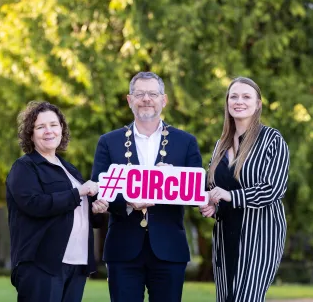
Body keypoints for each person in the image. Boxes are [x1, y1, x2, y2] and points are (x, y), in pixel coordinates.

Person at [91, 71, 202, 302]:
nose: (146, 99)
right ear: (129, 100)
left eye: (152, 93)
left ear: (164, 100)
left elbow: (195, 194)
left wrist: (173, 181)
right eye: (139, 93)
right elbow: (100, 190)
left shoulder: (186, 142)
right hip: (123, 249)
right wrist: (128, 203)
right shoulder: (109, 142)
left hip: (170, 249)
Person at [6, 101, 109, 302]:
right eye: (40, 126)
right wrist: (78, 192)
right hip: (41, 265)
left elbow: (78, 212)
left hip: (77, 263)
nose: (48, 131)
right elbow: (34, 204)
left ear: (61, 129)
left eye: (54, 125)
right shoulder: (24, 167)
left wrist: (96, 210)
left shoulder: (70, 169)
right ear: (31, 133)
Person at [200, 77, 289, 302]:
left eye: (246, 96)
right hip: (224, 233)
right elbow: (212, 186)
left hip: (259, 235)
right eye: (234, 96)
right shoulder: (221, 144)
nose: (239, 101)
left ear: (258, 104)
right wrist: (210, 202)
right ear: (227, 102)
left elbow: (274, 188)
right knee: (227, 298)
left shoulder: (272, 140)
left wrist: (231, 196)